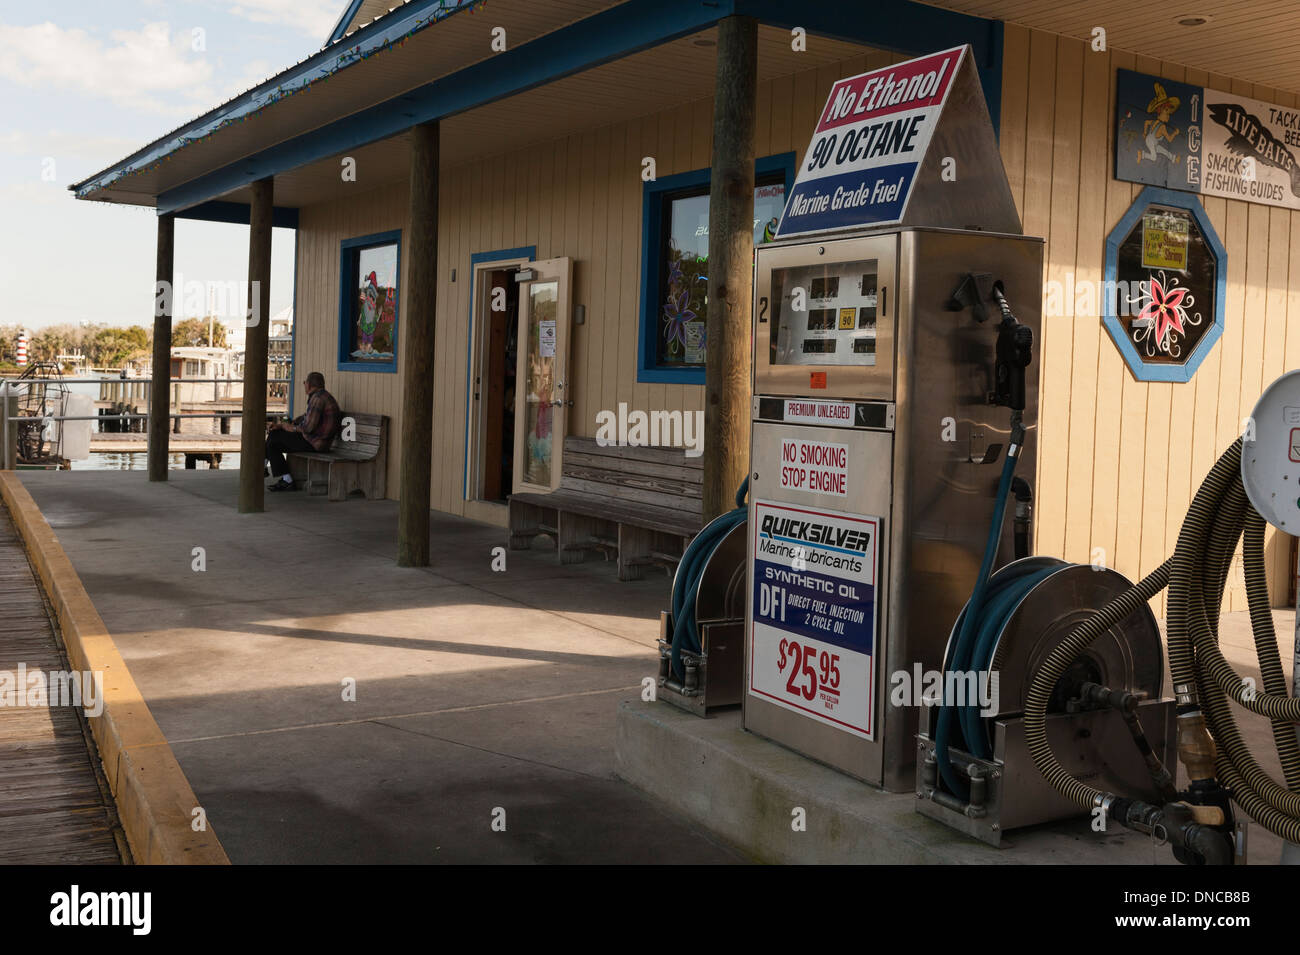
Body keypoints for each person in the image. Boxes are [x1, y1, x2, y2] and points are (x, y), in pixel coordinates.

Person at [266, 371, 340, 492]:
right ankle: (275, 472)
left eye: (305, 382)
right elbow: (306, 417)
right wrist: (284, 425)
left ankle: (281, 476)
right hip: (316, 440)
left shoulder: (318, 399)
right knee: (275, 435)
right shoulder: (321, 396)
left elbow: (308, 428)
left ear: (309, 384)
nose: (304, 385)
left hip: (316, 443)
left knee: (274, 439)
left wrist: (290, 428)